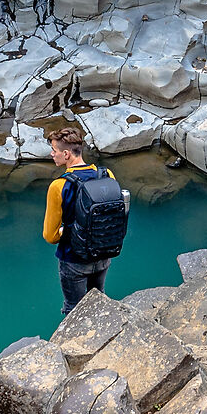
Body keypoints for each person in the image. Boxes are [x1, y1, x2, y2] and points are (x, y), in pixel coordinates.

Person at [44, 125, 130, 313]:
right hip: (104, 254)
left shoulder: (59, 186)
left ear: (66, 154)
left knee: (73, 309)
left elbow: (50, 236)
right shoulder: (107, 175)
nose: (52, 154)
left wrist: (70, 232)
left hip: (73, 260)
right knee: (99, 300)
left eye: (54, 150)